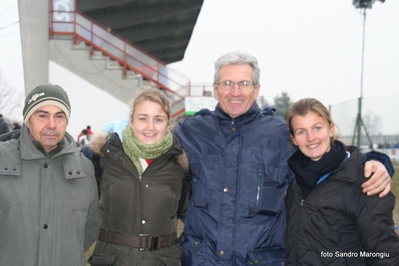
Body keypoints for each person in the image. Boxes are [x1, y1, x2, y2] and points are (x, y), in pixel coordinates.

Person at [176, 51, 394, 265]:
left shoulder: (281, 134)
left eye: (244, 83)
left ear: (256, 89)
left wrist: (377, 161)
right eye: (226, 83)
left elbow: (330, 154)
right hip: (202, 260)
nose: (235, 92)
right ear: (215, 90)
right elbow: (153, 146)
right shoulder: (191, 131)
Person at [284, 98, 399, 265]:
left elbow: (386, 255)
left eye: (317, 128)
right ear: (293, 139)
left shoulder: (365, 181)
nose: (311, 138)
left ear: (331, 129)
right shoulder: (296, 181)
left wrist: (380, 161)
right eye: (301, 132)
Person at [87, 86, 189, 266]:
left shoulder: (178, 166)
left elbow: (194, 217)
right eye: (143, 118)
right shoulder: (104, 158)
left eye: (158, 119)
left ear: (168, 123)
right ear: (131, 121)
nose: (150, 127)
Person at [0, 83, 100, 265]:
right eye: (43, 115)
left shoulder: (84, 168)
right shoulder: (2, 159)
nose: (52, 124)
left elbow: (90, 231)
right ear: (28, 119)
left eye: (59, 116)